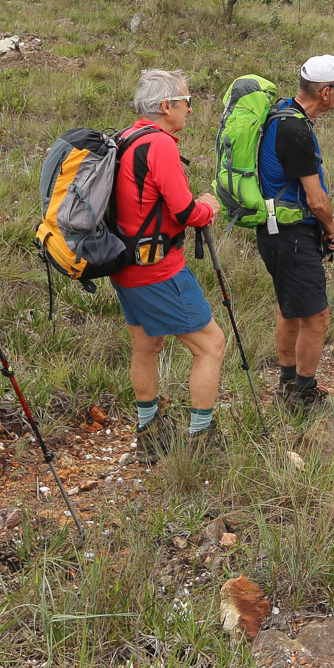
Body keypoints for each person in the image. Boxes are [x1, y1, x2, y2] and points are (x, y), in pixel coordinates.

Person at [112, 70, 226, 462]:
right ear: (167, 106)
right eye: (187, 102)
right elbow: (186, 211)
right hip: (158, 269)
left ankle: (149, 434)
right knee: (211, 346)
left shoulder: (126, 138)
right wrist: (210, 205)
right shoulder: (159, 145)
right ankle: (200, 441)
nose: (190, 110)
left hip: (125, 264)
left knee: (146, 346)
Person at [256, 55, 334, 409]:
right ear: (325, 92)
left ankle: (288, 385)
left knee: (290, 308)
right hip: (293, 234)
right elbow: (315, 198)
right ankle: (303, 393)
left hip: (274, 231)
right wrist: (333, 229)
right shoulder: (295, 129)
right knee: (316, 316)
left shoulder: (281, 112)